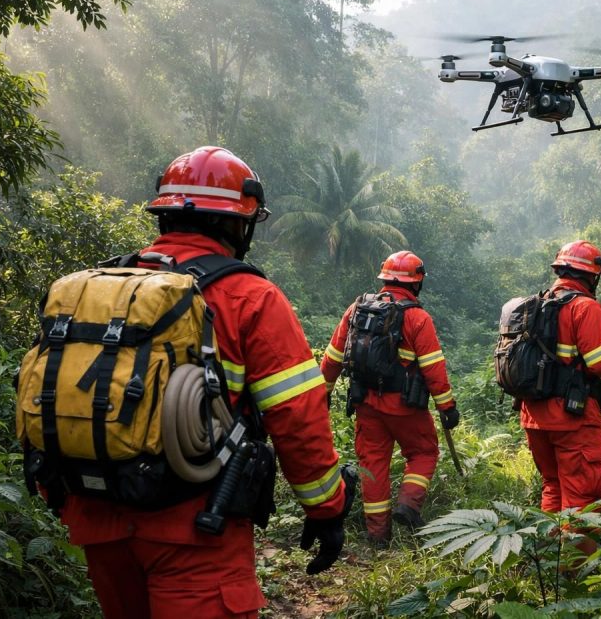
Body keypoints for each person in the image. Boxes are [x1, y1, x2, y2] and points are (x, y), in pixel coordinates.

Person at [57, 147, 351, 618]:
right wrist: (326, 509)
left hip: (98, 521)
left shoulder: (100, 287)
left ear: (165, 214)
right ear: (235, 224)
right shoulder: (250, 297)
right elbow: (297, 417)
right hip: (196, 529)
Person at [320, 250, 457, 547]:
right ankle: (408, 504)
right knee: (423, 453)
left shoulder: (357, 309)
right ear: (416, 283)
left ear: (384, 278)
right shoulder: (418, 318)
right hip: (406, 407)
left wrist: (324, 392)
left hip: (366, 403)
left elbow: (333, 357)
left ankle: (378, 536)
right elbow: (433, 368)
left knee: (373, 465)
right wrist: (447, 407)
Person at [521, 240, 601, 516]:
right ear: (592, 276)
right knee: (583, 495)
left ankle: (550, 543)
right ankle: (576, 547)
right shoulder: (584, 307)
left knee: (554, 486)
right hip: (571, 417)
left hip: (534, 416)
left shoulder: (539, 303)